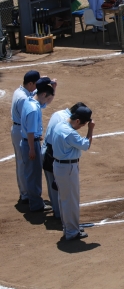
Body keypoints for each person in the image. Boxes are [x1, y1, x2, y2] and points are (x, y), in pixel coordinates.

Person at [52, 107, 95, 241]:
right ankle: (71, 232)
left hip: (60, 166)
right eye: (82, 124)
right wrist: (90, 129)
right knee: (70, 201)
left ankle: (69, 227)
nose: (81, 127)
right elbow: (86, 145)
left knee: (64, 199)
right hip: (67, 168)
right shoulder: (70, 133)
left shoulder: (59, 125)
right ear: (77, 120)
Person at [43, 102, 87, 221]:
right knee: (62, 189)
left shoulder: (59, 114)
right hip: (56, 154)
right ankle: (61, 216)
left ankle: (59, 213)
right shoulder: (65, 122)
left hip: (49, 151)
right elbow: (82, 144)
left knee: (53, 184)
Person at [20, 79, 55, 212]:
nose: (46, 102)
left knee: (31, 174)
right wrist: (32, 149)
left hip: (28, 142)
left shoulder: (29, 100)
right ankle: (36, 204)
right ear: (43, 95)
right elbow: (30, 132)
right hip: (30, 143)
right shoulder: (34, 109)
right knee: (34, 176)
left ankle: (34, 201)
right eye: (47, 98)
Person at [11, 70, 41, 205]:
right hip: (21, 131)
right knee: (24, 164)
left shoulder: (20, 91)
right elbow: (27, 121)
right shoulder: (23, 99)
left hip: (18, 129)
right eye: (36, 84)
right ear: (30, 83)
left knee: (22, 163)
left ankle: (25, 193)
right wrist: (33, 138)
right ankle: (26, 194)